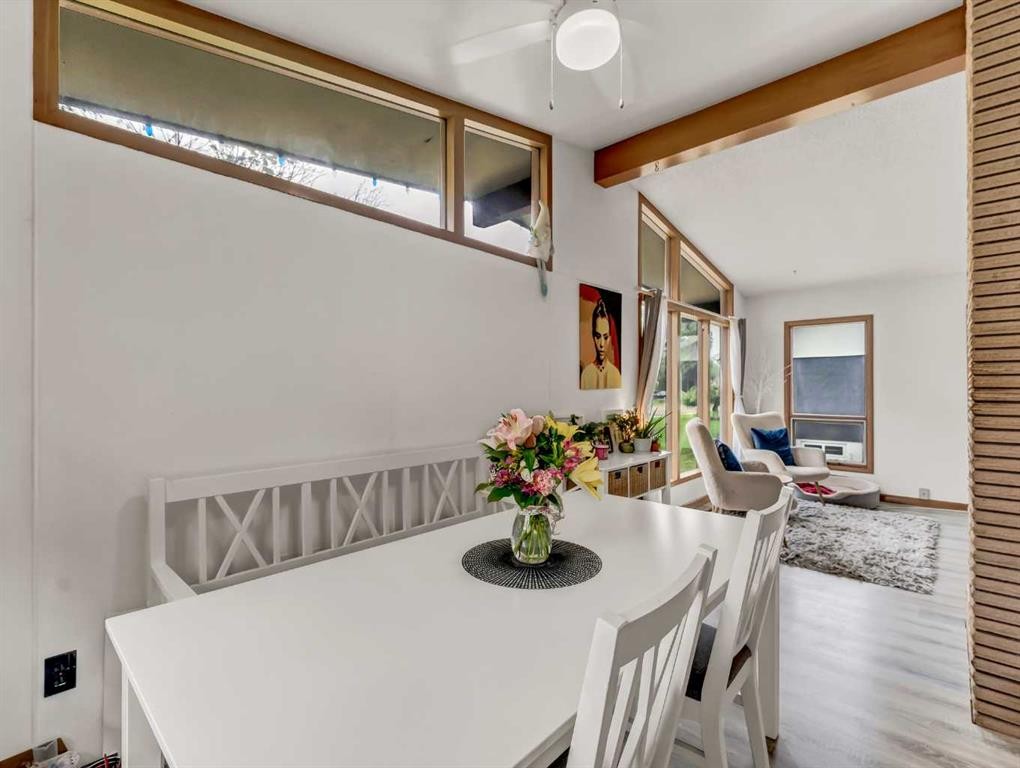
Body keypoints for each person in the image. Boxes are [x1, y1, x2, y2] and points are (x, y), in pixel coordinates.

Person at [581, 298, 621, 389]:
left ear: (610, 338)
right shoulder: (586, 374)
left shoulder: (616, 374)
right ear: (593, 337)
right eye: (598, 336)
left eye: (605, 337)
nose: (602, 344)